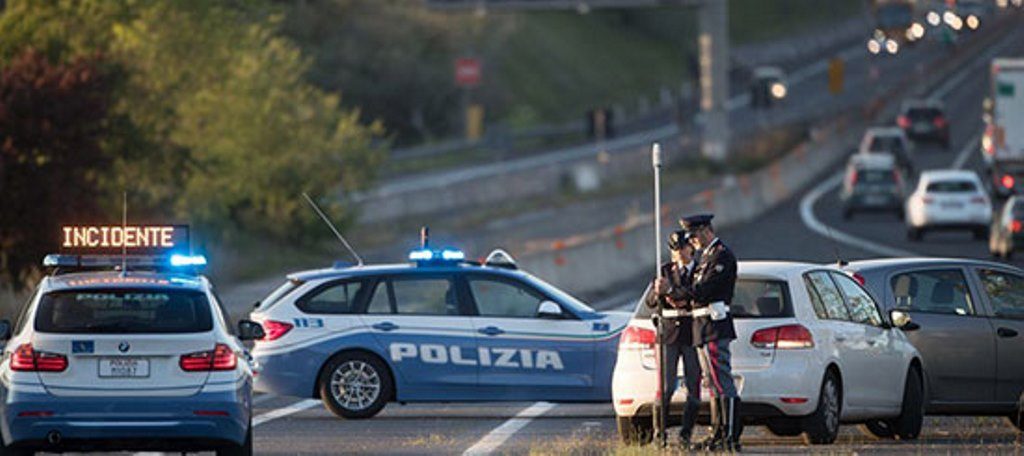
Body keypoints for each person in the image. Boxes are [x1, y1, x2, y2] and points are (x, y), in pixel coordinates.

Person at [679, 213, 741, 452]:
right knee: (713, 385)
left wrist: (678, 289)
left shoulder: (721, 255)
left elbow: (703, 290)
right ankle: (718, 432)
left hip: (715, 325)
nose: (692, 242)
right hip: (702, 326)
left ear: (706, 230)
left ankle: (730, 436)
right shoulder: (705, 257)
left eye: (694, 236)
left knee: (723, 382)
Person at [648, 229, 702, 447]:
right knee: (666, 387)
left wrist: (676, 292)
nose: (679, 253)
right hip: (669, 334)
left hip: (692, 332)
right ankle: (659, 433)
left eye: (682, 248)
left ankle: (685, 434)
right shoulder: (665, 271)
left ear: (691, 248)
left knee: (693, 387)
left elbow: (698, 293)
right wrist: (658, 291)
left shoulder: (700, 270)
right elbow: (651, 302)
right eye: (675, 249)